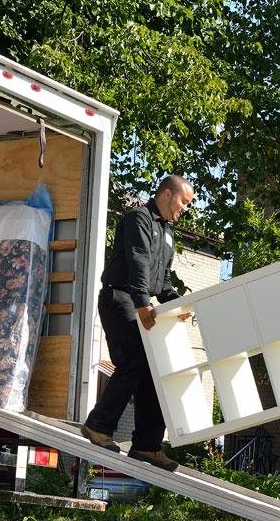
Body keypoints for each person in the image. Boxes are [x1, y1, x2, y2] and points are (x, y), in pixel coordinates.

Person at [81, 175, 195, 471]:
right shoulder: (139, 219)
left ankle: (146, 446)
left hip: (139, 299)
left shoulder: (167, 233)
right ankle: (98, 426)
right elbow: (138, 261)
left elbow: (164, 280)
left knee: (154, 369)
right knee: (133, 361)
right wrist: (144, 302)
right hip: (120, 298)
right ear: (167, 194)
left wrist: (176, 303)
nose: (185, 208)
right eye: (184, 201)